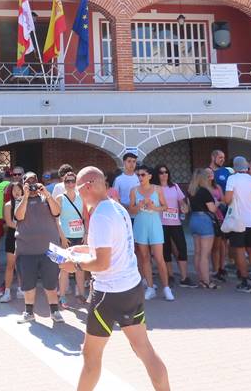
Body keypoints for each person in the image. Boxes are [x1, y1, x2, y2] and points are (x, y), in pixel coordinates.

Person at [58, 166, 169, 391]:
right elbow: (111, 247)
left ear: (87, 186)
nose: (77, 194)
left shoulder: (100, 215)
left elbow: (102, 263)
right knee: (144, 349)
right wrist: (83, 248)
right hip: (131, 287)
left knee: (90, 356)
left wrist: (74, 265)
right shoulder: (116, 208)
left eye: (78, 188)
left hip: (108, 293)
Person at [14, 173, 64, 323]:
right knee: (28, 283)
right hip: (26, 250)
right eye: (28, 182)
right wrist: (26, 196)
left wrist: (47, 195)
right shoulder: (19, 200)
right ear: (23, 185)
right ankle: (28, 312)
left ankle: (55, 311)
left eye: (34, 181)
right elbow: (19, 216)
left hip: (49, 250)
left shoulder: (47, 199)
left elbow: (57, 212)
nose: (32, 184)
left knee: (51, 282)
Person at [128, 165, 173, 301]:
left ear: (149, 176)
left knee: (159, 258)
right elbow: (131, 210)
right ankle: (150, 287)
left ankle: (166, 288)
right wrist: (139, 206)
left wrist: (154, 207)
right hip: (140, 225)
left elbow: (165, 206)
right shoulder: (134, 191)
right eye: (138, 175)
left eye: (142, 175)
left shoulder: (157, 189)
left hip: (155, 225)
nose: (140, 177)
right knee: (144, 257)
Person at [224, 156, 251, 293]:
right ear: (246, 167)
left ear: (235, 167)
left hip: (238, 220)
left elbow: (228, 199)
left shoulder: (232, 179)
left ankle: (245, 280)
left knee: (239, 250)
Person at [157, 164, 194, 288]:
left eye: (166, 172)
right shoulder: (155, 188)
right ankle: (170, 276)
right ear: (157, 175)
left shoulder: (175, 186)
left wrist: (184, 208)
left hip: (175, 223)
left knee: (182, 248)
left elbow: (182, 202)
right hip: (161, 223)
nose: (164, 174)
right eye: (161, 172)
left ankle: (184, 277)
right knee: (165, 250)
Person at [56, 171, 87, 307]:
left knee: (80, 268)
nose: (70, 184)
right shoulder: (60, 198)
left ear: (76, 183)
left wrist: (86, 234)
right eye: (67, 181)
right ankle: (62, 296)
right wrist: (62, 237)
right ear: (63, 183)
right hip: (66, 237)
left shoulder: (82, 197)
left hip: (79, 236)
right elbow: (56, 219)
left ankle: (81, 294)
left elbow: (85, 217)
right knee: (65, 268)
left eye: (72, 181)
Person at [187, 168, 219, 289]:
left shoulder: (191, 191)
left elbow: (189, 208)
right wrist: (217, 203)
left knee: (197, 252)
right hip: (204, 220)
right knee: (205, 254)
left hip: (193, 219)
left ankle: (201, 279)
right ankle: (207, 281)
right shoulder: (205, 191)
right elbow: (212, 209)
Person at [0, 183, 23, 303]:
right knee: (10, 265)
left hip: (25, 237)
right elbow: (9, 223)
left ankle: (21, 289)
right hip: (13, 236)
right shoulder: (8, 205)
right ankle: (7, 291)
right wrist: (22, 228)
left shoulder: (26, 203)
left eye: (19, 189)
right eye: (14, 190)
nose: (17, 192)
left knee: (22, 265)